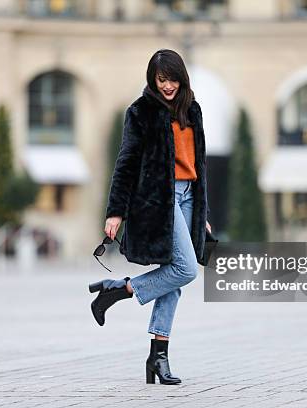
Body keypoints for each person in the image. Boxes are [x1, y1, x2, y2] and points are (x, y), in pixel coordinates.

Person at [89, 49, 212, 385]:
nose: (167, 85)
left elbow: (200, 166)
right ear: (152, 80)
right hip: (159, 199)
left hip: (188, 197)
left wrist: (202, 213)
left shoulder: (193, 111)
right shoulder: (140, 112)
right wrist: (115, 211)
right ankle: (120, 289)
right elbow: (126, 163)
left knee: (172, 278)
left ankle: (158, 357)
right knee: (185, 269)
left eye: (172, 79)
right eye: (161, 80)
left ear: (181, 78)